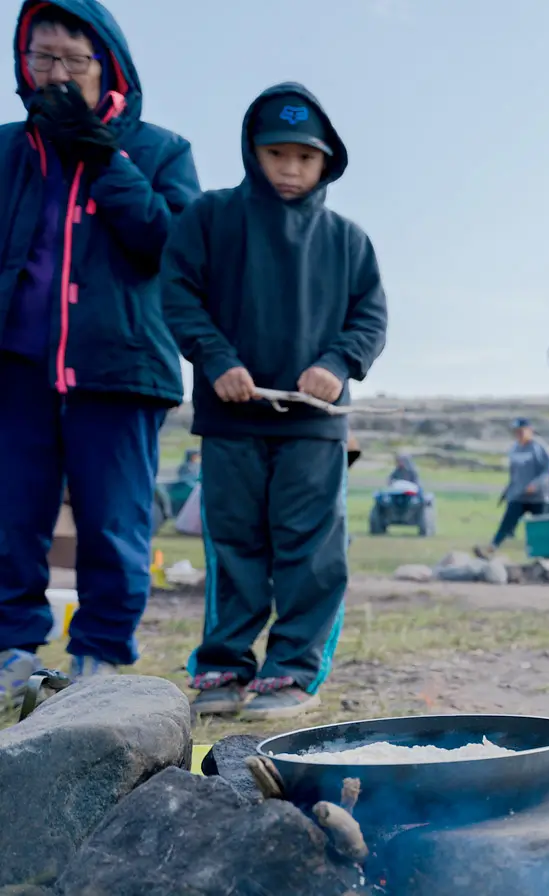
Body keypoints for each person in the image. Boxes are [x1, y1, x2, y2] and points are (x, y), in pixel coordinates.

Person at [162, 82, 388, 721]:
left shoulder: (349, 241)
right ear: (251, 152)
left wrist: (336, 364)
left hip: (314, 428)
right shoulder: (209, 219)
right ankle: (223, 666)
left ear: (327, 162)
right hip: (231, 417)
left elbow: (370, 318)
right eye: (276, 153)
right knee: (233, 544)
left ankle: (293, 671)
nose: (290, 168)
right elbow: (178, 294)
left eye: (305, 157)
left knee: (310, 551)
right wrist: (216, 358)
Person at [0, 0, 201, 706]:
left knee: (114, 523)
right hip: (15, 369)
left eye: (71, 60)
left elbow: (170, 246)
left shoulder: (159, 150)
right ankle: (11, 653)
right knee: (8, 514)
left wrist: (102, 155)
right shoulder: (6, 150)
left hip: (119, 370)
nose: (54, 74)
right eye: (40, 57)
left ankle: (98, 659)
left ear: (106, 65)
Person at [477, 418, 549, 557]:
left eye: (521, 431)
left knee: (542, 528)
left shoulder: (539, 447)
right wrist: (508, 491)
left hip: (539, 496)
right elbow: (514, 473)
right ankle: (491, 549)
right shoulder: (515, 449)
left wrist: (536, 484)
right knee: (507, 523)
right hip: (519, 495)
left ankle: (548, 556)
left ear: (530, 430)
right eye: (516, 432)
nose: (519, 434)